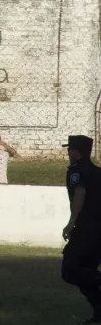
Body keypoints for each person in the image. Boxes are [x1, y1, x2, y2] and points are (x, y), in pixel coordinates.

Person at [61, 135, 101, 324]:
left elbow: (80, 194)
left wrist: (71, 223)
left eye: (69, 149)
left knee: (70, 270)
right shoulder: (97, 171)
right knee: (86, 273)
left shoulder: (76, 171)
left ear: (75, 151)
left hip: (87, 228)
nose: (68, 153)